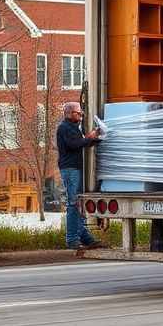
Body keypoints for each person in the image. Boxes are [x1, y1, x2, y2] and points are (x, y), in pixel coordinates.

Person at [57, 101, 102, 250]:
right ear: (69, 113)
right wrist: (89, 137)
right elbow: (74, 145)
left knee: (79, 204)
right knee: (73, 204)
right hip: (70, 169)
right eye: (78, 113)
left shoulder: (74, 127)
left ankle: (85, 237)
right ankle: (72, 239)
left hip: (75, 168)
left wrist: (95, 139)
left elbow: (80, 143)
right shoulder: (64, 128)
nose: (81, 115)